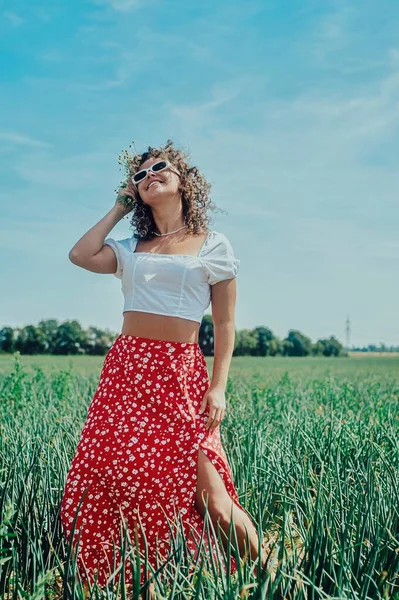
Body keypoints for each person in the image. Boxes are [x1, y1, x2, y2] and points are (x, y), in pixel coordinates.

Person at [60, 140, 266, 597]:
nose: (150, 174)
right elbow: (80, 254)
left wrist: (218, 387)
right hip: (127, 373)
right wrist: (119, 206)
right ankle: (143, 579)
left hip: (179, 376)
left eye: (159, 166)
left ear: (183, 178)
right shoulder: (131, 246)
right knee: (117, 479)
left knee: (211, 496)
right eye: (139, 175)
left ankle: (274, 576)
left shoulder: (213, 244)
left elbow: (226, 324)